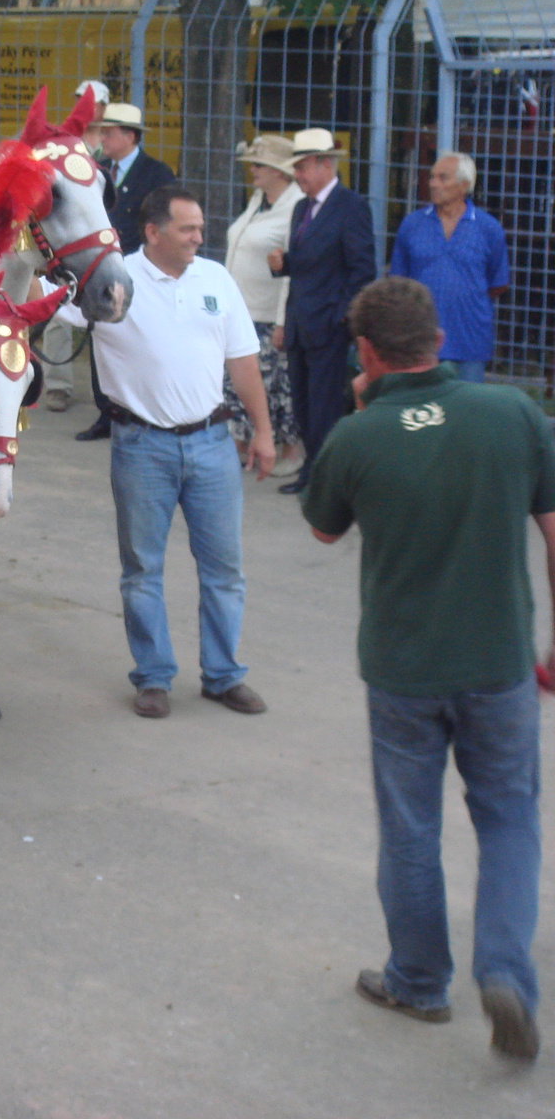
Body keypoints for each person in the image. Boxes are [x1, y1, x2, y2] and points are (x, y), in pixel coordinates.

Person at [300, 276, 549, 1063]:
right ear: (440, 340)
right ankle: (505, 972)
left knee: (412, 828)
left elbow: (325, 534)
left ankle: (419, 979)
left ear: (367, 353)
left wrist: (366, 411)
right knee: (509, 822)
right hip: (501, 660)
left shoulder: (358, 435)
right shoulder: (513, 413)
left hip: (405, 669)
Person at [60, 185, 274, 719]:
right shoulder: (111, 282)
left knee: (225, 569)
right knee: (142, 570)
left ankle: (224, 676)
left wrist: (264, 431)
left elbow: (243, 362)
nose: (200, 237)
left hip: (212, 444)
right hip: (141, 447)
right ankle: (153, 677)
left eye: (200, 227)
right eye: (188, 229)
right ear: (153, 232)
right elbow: (34, 293)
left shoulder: (215, 279)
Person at [266, 127, 375, 495]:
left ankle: (324, 477)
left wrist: (341, 317)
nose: (297, 176)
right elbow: (311, 263)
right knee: (303, 403)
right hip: (300, 322)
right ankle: (313, 468)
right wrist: (284, 264)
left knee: (325, 405)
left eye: (303, 168)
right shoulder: (302, 208)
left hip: (327, 324)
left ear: (326, 165)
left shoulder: (351, 206)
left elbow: (362, 270)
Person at [76, 101, 176, 441]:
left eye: (110, 132)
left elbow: (161, 222)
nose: (103, 137)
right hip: (104, 268)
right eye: (102, 131)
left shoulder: (157, 174)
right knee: (102, 336)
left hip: (141, 269)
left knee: (140, 339)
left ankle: (142, 406)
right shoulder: (98, 169)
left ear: (131, 136)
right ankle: (106, 412)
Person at [388, 152, 510, 384]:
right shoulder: (412, 224)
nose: (433, 183)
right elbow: (398, 281)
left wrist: (464, 298)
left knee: (466, 414)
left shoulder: (488, 228)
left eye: (443, 178)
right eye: (432, 177)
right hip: (420, 341)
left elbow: (498, 282)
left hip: (469, 341)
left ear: (464, 185)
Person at [223, 134, 303, 477]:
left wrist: (283, 319)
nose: (252, 170)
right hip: (241, 309)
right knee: (236, 383)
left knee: (274, 385)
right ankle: (241, 445)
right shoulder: (259, 199)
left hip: (268, 314)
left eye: (259, 165)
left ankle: (290, 450)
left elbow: (290, 270)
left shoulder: (296, 208)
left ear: (280, 172)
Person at [39, 79, 111, 412]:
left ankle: (109, 392)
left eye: (90, 101)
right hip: (70, 245)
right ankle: (58, 386)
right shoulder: (68, 145)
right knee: (58, 316)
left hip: (102, 245)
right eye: (79, 99)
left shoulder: (109, 145)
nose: (82, 105)